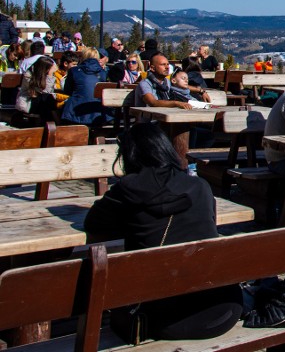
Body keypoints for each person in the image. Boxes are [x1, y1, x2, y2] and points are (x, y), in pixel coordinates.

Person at [84, 122, 242, 341]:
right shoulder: (200, 186)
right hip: (225, 310)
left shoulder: (127, 190)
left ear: (128, 156)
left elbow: (92, 224)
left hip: (170, 319)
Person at [61, 47, 112, 126]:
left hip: (76, 112)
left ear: (83, 56)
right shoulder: (103, 73)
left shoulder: (74, 71)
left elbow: (67, 91)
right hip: (98, 113)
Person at [16, 56, 67, 120]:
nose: (54, 74)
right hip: (28, 102)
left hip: (40, 102)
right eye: (52, 71)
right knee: (47, 98)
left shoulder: (44, 75)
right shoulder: (29, 75)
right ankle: (52, 121)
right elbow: (46, 91)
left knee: (52, 99)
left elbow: (53, 88)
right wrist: (50, 75)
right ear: (46, 69)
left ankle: (55, 120)